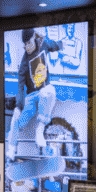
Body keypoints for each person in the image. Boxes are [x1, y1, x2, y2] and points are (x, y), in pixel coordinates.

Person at [6, 28, 62, 160]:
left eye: (29, 43)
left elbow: (57, 46)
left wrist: (46, 37)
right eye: (25, 45)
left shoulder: (44, 44)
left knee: (49, 91)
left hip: (44, 92)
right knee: (16, 120)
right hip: (31, 97)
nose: (27, 47)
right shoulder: (24, 62)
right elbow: (20, 87)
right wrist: (18, 107)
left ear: (34, 38)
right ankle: (11, 149)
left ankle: (40, 130)